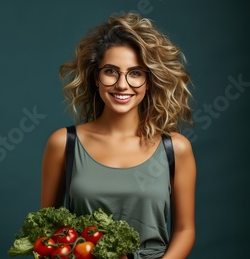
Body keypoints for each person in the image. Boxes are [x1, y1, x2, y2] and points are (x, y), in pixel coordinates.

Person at [40, 13, 196, 259]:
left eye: (135, 73)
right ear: (96, 78)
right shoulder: (64, 144)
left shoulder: (175, 149)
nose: (122, 85)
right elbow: (47, 229)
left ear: (148, 81)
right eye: (111, 71)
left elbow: (185, 230)